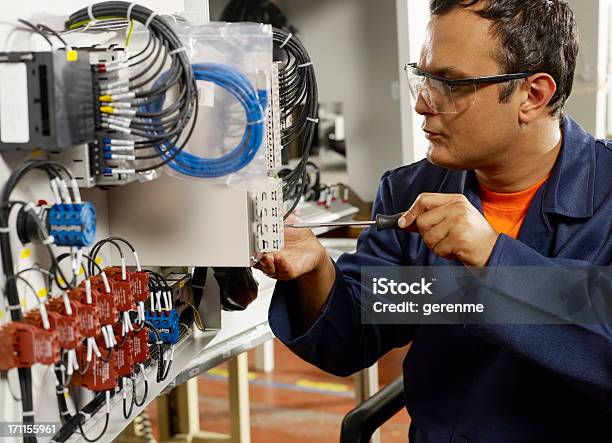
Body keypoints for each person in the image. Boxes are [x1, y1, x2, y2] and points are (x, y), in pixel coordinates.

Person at [255, 0, 612, 441]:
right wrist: (317, 271)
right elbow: (351, 336)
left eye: (452, 84)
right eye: (424, 77)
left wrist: (493, 258)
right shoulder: (413, 192)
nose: (423, 102)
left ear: (532, 95)